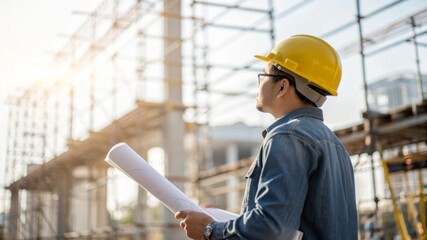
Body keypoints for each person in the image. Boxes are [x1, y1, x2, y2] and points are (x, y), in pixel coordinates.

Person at [175, 34, 358, 240]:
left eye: (263, 76)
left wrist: (210, 230)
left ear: (282, 87)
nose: (259, 85)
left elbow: (272, 228)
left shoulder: (287, 136)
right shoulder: (335, 145)